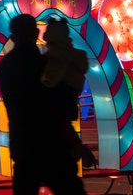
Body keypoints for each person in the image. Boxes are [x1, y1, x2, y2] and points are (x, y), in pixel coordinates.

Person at [0, 14, 86, 195]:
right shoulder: (46, 64)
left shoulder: (6, 65)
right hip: (53, 145)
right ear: (36, 33)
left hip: (23, 144)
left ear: (13, 37)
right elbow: (62, 105)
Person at [42, 17, 89, 161]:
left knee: (57, 135)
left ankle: (75, 150)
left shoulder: (54, 58)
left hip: (54, 105)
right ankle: (76, 149)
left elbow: (49, 81)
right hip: (69, 103)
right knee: (65, 128)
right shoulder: (76, 57)